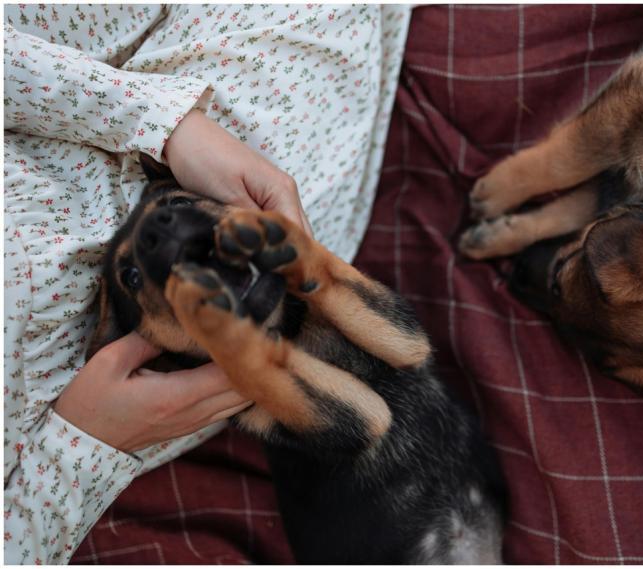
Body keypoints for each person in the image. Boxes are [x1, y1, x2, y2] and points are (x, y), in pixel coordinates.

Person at [4, 5, 410, 563]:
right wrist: (83, 446)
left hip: (142, 150)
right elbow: (376, 408)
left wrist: (164, 123)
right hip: (117, 392)